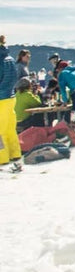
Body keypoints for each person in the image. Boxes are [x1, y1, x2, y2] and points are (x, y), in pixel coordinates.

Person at [0, 35, 24, 172]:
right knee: (10, 128)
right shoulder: (9, 58)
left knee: (0, 130)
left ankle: (2, 157)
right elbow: (14, 77)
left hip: (1, 99)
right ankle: (15, 153)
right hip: (10, 96)